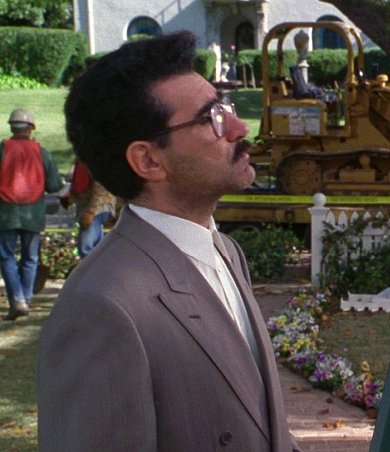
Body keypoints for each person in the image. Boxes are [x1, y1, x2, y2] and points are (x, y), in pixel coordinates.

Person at [37, 32, 299, 451]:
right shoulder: (101, 307)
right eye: (212, 118)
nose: (239, 127)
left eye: (226, 108)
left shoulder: (225, 251)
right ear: (148, 160)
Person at [0, 109, 62, 321]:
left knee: (6, 257)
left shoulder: (2, 150)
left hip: (5, 213)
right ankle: (25, 300)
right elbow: (54, 185)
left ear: (11, 127)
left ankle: (17, 300)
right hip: (33, 213)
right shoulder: (42, 153)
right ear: (31, 128)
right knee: (30, 258)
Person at [59, 159, 118, 258]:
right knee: (96, 248)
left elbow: (100, 188)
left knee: (86, 249)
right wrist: (72, 198)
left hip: (96, 208)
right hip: (93, 206)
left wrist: (90, 212)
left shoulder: (94, 159)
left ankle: (93, 267)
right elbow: (81, 183)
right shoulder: (84, 158)